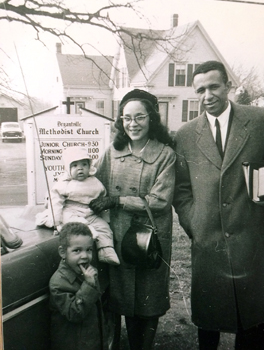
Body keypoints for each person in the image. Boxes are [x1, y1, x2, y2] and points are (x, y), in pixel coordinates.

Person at [173, 60, 264, 349]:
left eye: (214, 87)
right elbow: (181, 190)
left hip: (252, 241)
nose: (207, 96)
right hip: (209, 243)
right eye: (200, 90)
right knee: (209, 320)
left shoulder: (262, 122)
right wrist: (194, 222)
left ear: (228, 86)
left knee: (254, 320)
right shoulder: (185, 135)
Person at [89, 89, 176, 350]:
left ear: (151, 118)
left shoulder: (164, 155)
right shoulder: (111, 153)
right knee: (122, 294)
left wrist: (119, 200)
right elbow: (95, 185)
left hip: (150, 236)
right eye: (127, 118)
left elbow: (160, 201)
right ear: (120, 121)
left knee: (149, 297)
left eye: (139, 117)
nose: (133, 124)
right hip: (118, 234)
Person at [36, 146, 119, 265]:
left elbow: (102, 200)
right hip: (70, 211)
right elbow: (55, 203)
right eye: (74, 165)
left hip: (89, 212)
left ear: (89, 166)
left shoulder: (95, 182)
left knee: (104, 227)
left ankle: (105, 250)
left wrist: (106, 219)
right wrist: (57, 222)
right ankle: (90, 233)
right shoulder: (64, 183)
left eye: (84, 165)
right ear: (68, 168)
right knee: (78, 223)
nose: (80, 169)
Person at [49, 222, 108, 350]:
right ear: (63, 252)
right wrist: (88, 285)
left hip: (92, 340)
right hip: (73, 344)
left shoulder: (88, 273)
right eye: (77, 250)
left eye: (89, 250)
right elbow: (74, 314)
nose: (85, 256)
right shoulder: (58, 282)